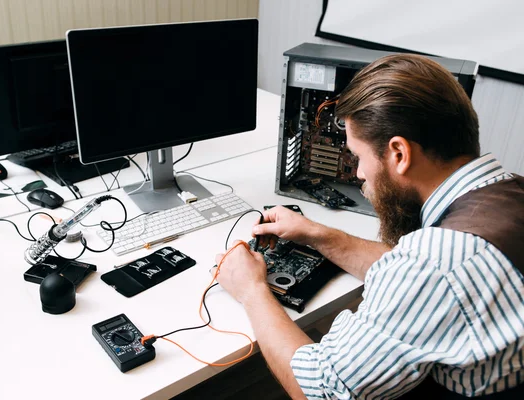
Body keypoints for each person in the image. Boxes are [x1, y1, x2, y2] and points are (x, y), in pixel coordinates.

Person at [214, 54, 524, 399]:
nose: (359, 174)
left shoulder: (435, 265)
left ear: (399, 154)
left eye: (359, 157)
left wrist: (251, 291)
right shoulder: (508, 192)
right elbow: (427, 280)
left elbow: (320, 390)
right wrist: (319, 234)